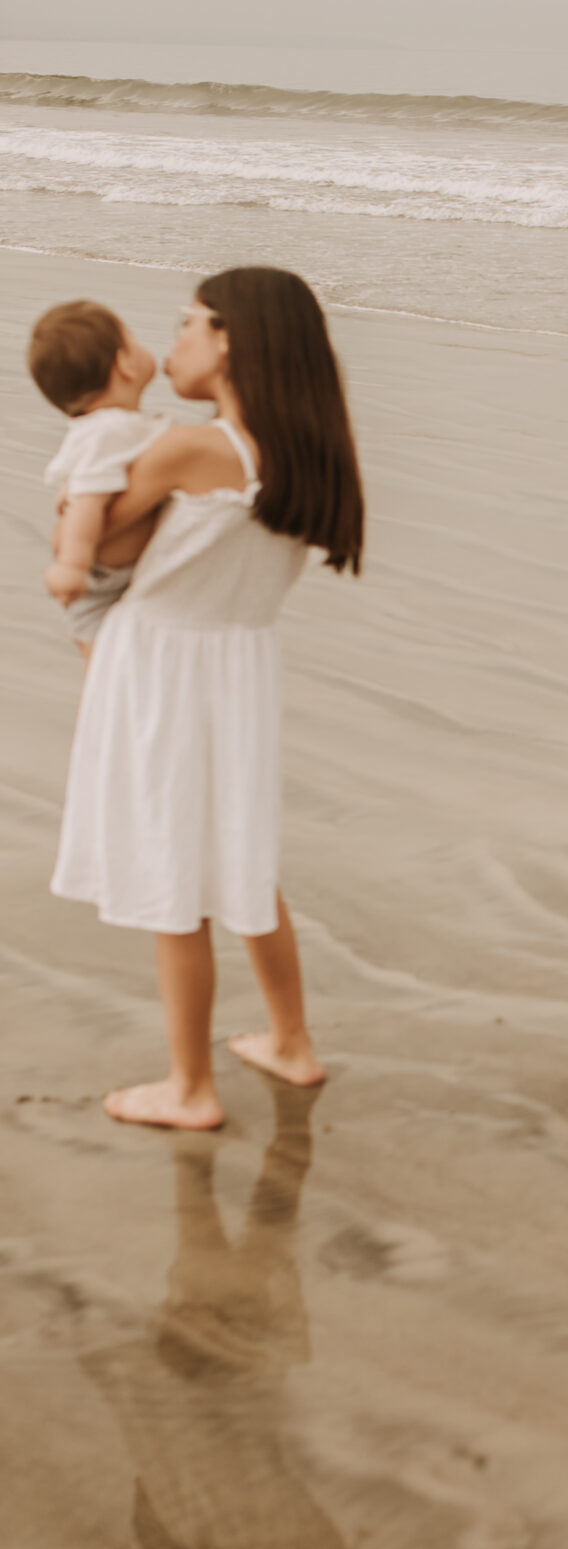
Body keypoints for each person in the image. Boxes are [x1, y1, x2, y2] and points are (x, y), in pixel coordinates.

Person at [52, 266, 365, 1131]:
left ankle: (189, 1087)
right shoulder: (301, 454)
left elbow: (98, 542)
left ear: (231, 340)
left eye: (191, 323)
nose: (177, 339)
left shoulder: (190, 450)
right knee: (242, 859)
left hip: (161, 668)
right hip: (239, 665)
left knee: (173, 875)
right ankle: (290, 1042)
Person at [28, 298, 167, 657]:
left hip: (116, 579)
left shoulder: (114, 429)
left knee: (109, 682)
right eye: (132, 340)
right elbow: (87, 501)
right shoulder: (108, 432)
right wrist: (72, 564)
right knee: (103, 680)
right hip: (99, 585)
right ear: (124, 364)